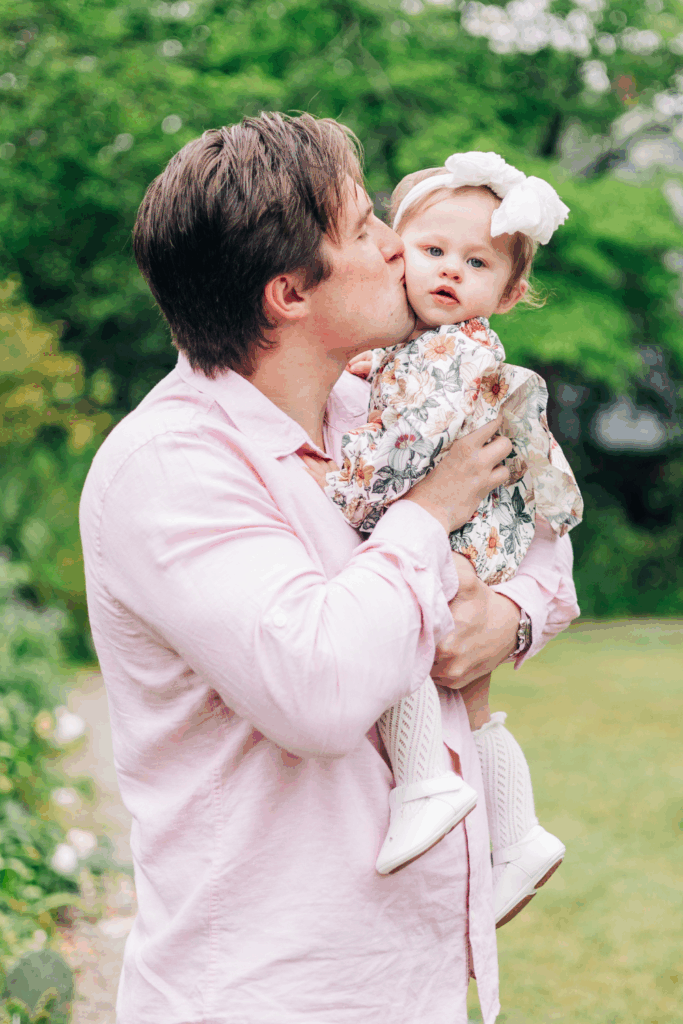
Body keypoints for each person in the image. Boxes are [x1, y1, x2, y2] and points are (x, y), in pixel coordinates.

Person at [79, 113, 579, 1024]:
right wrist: (428, 517)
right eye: (363, 231)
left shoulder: (373, 412)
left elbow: (537, 540)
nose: (401, 248)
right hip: (271, 989)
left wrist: (507, 619)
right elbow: (318, 688)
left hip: (408, 981)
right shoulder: (174, 468)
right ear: (287, 295)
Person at [325, 153, 582, 929]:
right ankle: (519, 834)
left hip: (459, 538)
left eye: (474, 263)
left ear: (506, 295)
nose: (447, 271)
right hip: (468, 541)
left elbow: (409, 443)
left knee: (401, 622)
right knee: (472, 707)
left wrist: (339, 491)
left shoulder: (450, 354)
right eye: (433, 251)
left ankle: (425, 784)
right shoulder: (385, 355)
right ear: (394, 252)